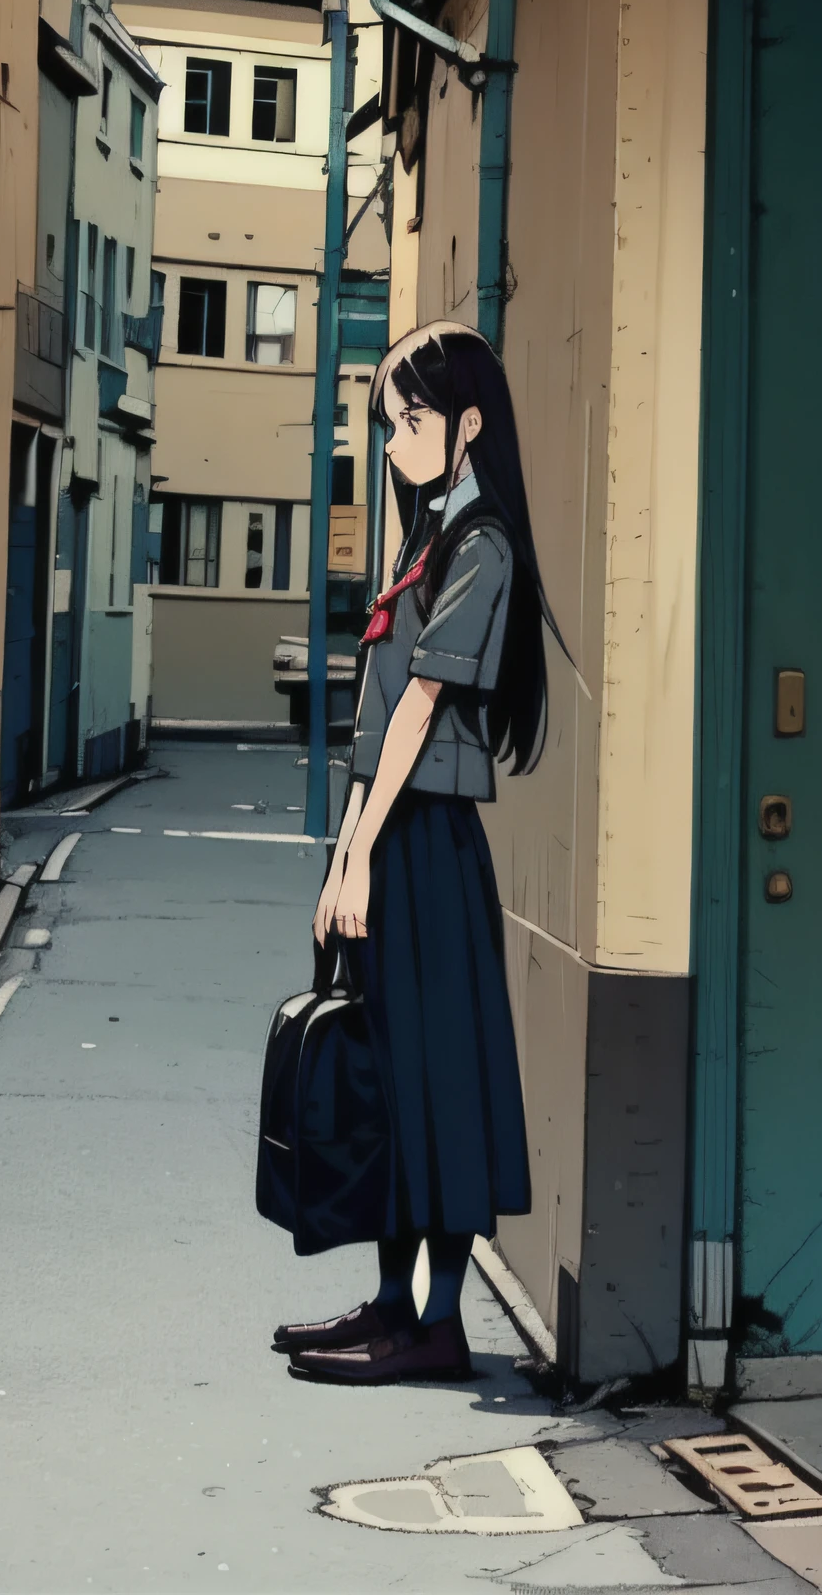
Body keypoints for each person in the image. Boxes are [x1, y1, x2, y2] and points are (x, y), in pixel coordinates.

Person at [275, 321, 566, 1385]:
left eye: (413, 420)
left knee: (439, 1080)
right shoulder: (422, 536)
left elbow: (418, 709)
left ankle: (435, 1321)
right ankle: (392, 1306)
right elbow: (370, 711)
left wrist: (358, 854)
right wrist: (344, 849)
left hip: (431, 846)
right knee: (393, 1079)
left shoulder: (481, 544)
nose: (394, 441)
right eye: (389, 422)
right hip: (392, 837)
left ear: (469, 422)